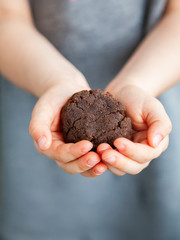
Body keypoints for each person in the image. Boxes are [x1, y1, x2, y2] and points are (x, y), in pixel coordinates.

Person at [0, 0, 180, 239]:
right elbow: (6, 16)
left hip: (145, 107)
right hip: (38, 105)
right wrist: (55, 81)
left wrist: (136, 84)